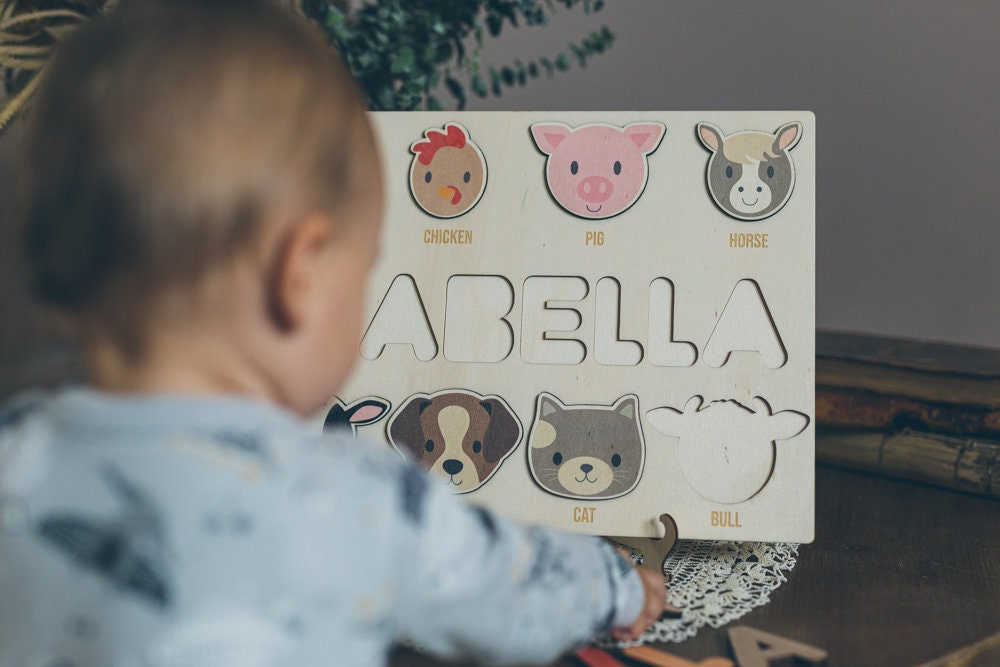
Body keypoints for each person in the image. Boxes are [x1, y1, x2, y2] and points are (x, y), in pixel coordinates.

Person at [0, 0, 668, 665]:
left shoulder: (15, 461)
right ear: (301, 274)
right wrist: (618, 587)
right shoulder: (360, 499)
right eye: (367, 267)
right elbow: (515, 585)